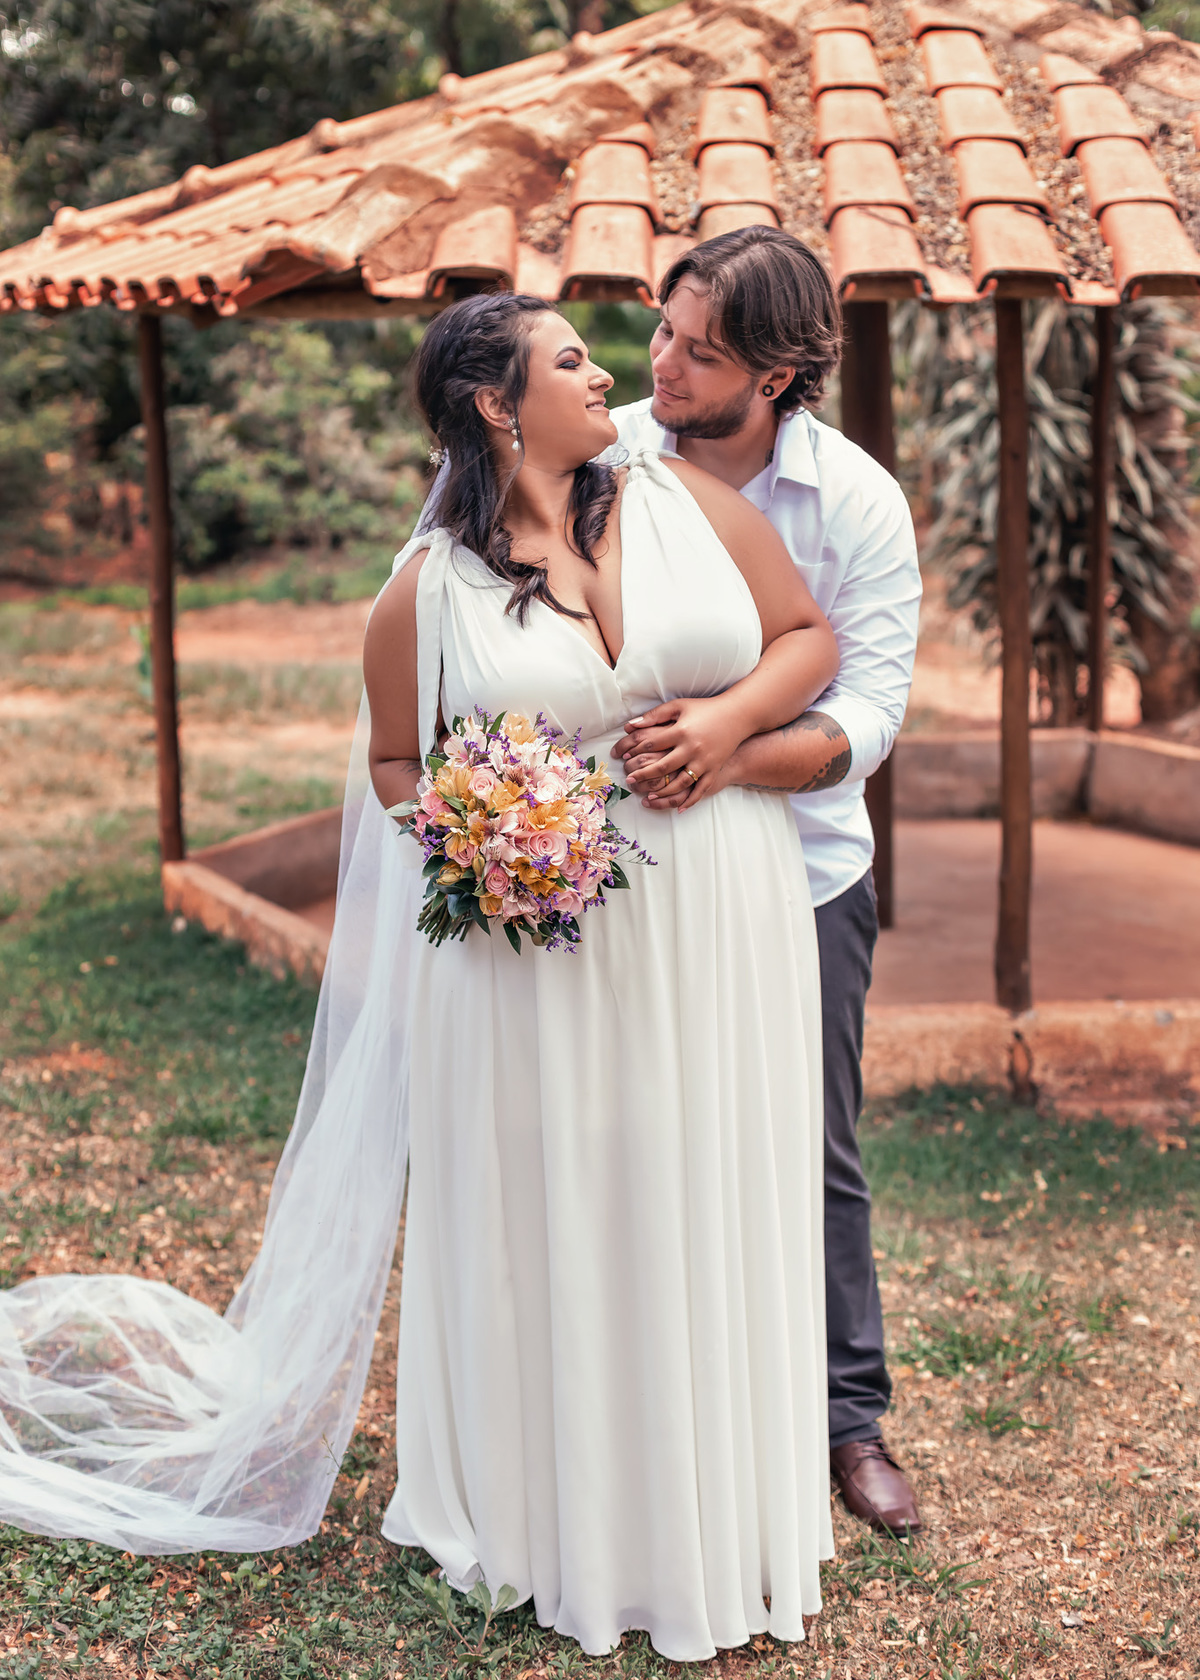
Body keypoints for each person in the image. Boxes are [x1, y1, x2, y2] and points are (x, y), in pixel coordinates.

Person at [0, 291, 839, 1663]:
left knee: (711, 1186)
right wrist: (484, 831)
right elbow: (399, 767)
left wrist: (732, 722)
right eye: (571, 361)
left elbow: (809, 640)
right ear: (499, 406)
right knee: (568, 1209)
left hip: (722, 920)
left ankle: (724, 1513)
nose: (607, 372)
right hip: (541, 955)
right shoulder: (425, 595)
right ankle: (561, 1522)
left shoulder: (688, 504)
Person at [609, 226, 924, 1538]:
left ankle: (848, 1422)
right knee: (627, 1125)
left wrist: (727, 751)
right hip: (622, 870)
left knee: (813, 1142)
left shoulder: (853, 502)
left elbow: (874, 714)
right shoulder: (604, 453)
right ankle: (643, 1403)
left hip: (802, 875)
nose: (663, 366)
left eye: (703, 352)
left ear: (783, 373)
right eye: (665, 332)